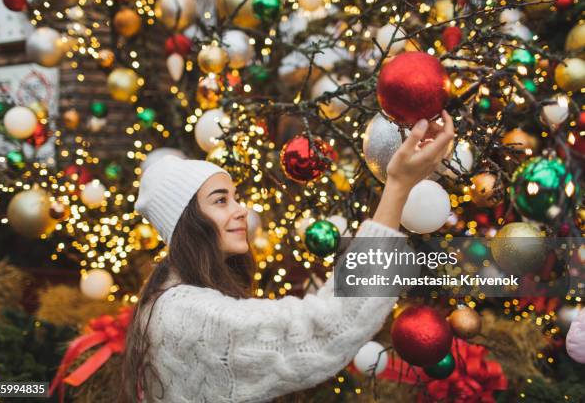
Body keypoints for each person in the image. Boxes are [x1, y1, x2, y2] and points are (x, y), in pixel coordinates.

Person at [119, 111, 455, 402]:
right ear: (187, 223)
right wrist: (397, 187)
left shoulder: (170, 299)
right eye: (221, 201)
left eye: (236, 197)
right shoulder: (187, 315)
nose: (241, 210)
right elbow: (329, 326)